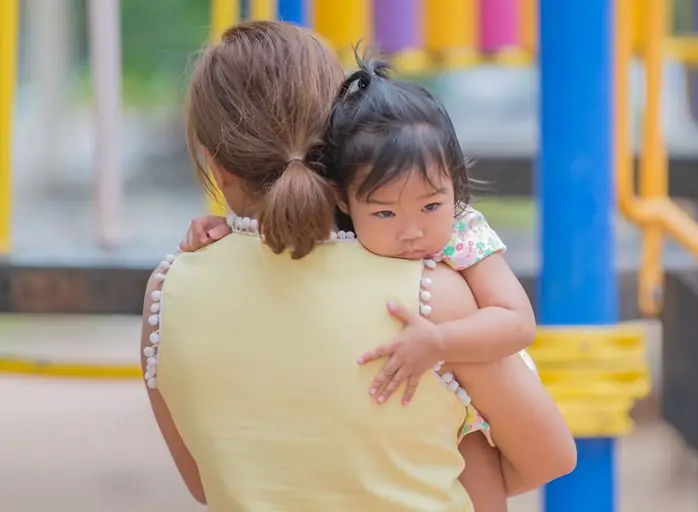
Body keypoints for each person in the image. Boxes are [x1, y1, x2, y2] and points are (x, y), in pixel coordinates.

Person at [142, 21, 574, 511]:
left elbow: (205, 482)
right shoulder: (430, 297)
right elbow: (550, 457)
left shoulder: (167, 292)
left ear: (214, 165)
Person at [179, 54, 537, 407]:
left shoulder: (462, 233)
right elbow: (291, 224)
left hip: (485, 397)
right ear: (344, 201)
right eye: (385, 212)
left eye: (430, 206)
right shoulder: (351, 225)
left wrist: (441, 340)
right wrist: (231, 229)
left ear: (454, 187)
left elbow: (517, 321)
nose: (412, 230)